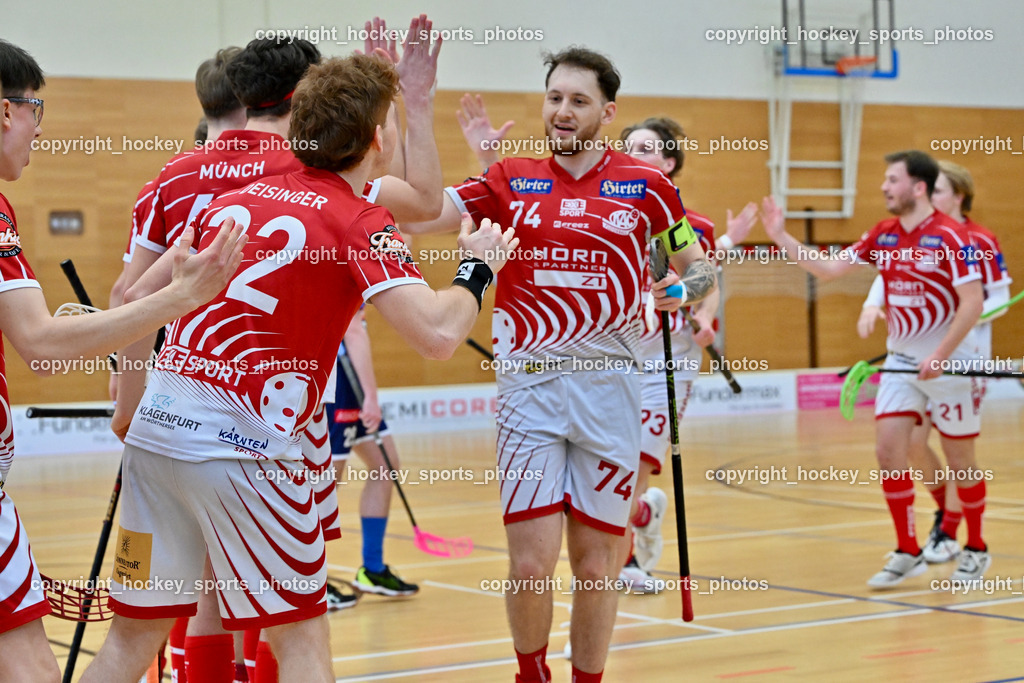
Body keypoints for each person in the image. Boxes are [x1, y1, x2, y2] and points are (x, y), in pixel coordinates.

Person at [79, 53, 517, 683]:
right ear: (377, 139)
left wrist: (129, 407)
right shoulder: (358, 217)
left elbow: (134, 301)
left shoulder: (232, 201)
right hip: (246, 449)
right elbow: (439, 334)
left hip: (159, 435)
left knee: (129, 645)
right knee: (303, 645)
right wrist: (478, 268)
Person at [406, 47, 715, 682]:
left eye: (578, 100)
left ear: (608, 111)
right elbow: (422, 210)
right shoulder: (510, 178)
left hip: (611, 398)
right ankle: (530, 674)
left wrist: (683, 291)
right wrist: (414, 106)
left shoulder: (649, 188)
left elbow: (701, 268)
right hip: (531, 396)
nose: (564, 111)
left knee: (598, 567)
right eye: (554, 98)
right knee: (527, 565)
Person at [0, 39, 246, 683]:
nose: (38, 128)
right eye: (37, 111)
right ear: (6, 112)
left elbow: (76, 321)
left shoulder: (165, 179)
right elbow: (42, 340)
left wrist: (125, 390)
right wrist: (181, 296)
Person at [761, 150, 990, 589]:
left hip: (954, 365)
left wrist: (941, 353)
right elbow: (828, 269)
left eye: (892, 180)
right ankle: (908, 550)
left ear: (918, 187)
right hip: (903, 365)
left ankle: (976, 547)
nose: (884, 188)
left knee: (961, 461)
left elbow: (973, 302)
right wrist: (781, 236)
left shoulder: (952, 237)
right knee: (889, 450)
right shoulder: (882, 235)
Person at [856, 160, 1010, 565]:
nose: (931, 197)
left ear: (957, 195)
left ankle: (955, 531)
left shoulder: (977, 238)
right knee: (910, 444)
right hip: (913, 362)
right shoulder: (909, 235)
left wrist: (952, 322)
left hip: (962, 360)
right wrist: (874, 305)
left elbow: (993, 296)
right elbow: (887, 272)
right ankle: (945, 514)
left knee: (958, 452)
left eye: (939, 190)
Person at [322, 310, 420, 597]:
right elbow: (352, 329)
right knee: (325, 484)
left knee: (384, 465)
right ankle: (307, 584)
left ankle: (373, 569)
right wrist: (372, 398)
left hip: (347, 377)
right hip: (337, 376)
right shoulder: (346, 264)